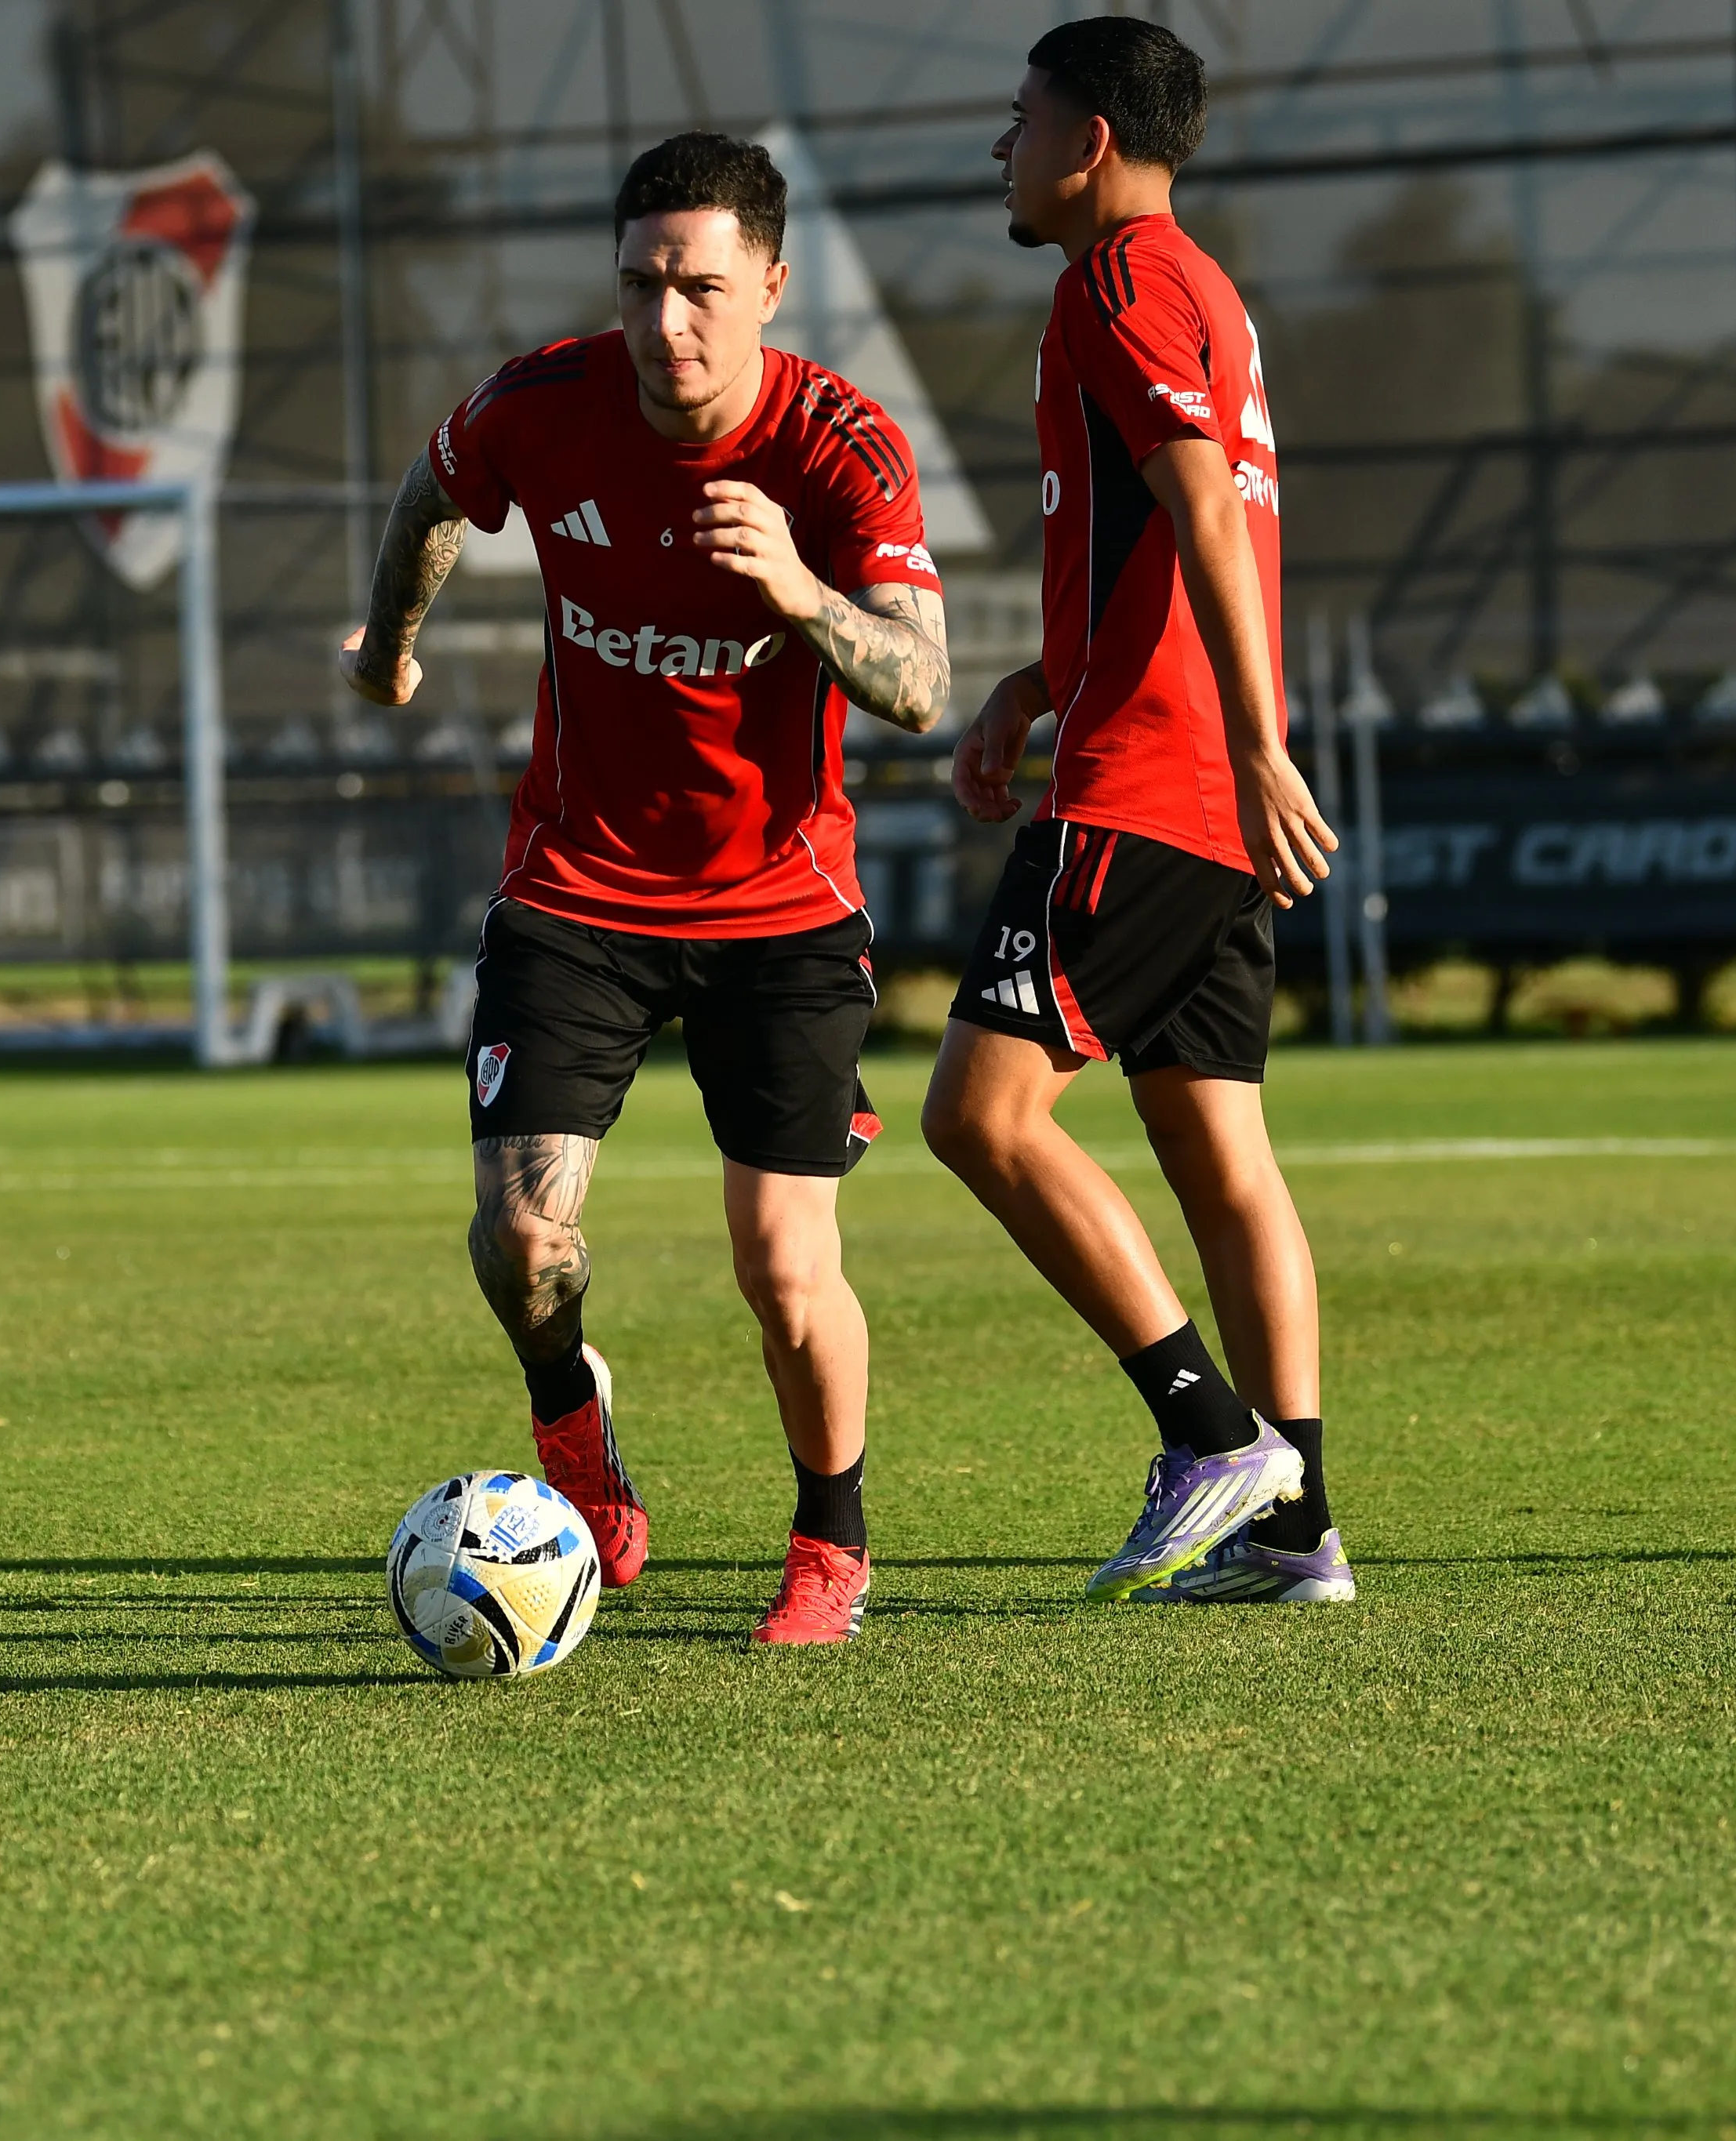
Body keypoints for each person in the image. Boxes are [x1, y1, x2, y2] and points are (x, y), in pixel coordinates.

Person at [339, 131, 953, 1644]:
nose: (665, 323)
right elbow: (431, 493)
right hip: (577, 891)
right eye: (640, 285)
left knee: (783, 1267)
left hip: (779, 908)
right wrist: (386, 648)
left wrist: (803, 595)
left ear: (771, 288)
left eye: (700, 289)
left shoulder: (839, 446)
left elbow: (925, 686)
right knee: (521, 1242)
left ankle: (832, 1541)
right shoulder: (544, 405)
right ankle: (571, 1417)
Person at [919, 17, 1351, 1605]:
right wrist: (1037, 685)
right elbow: (1163, 549)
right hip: (1186, 779)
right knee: (1213, 1147)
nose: (1001, 148)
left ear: (1088, 137)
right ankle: (1298, 1531)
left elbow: (1192, 515)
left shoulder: (1114, 281)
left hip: (1155, 785)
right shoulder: (1203, 290)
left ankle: (1208, 1432)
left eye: (1019, 119)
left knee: (977, 1113)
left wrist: (1249, 744)